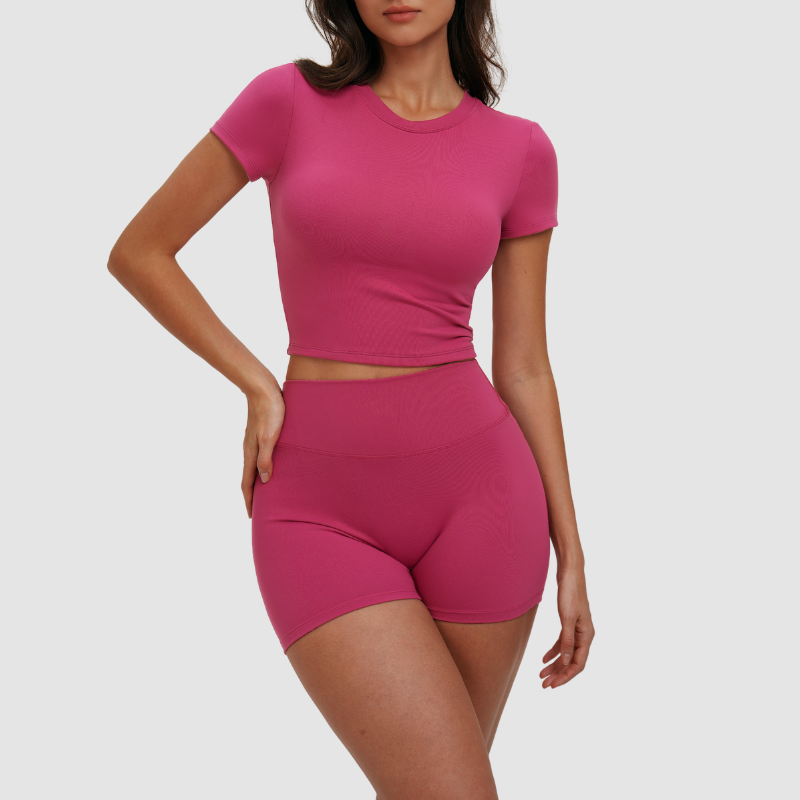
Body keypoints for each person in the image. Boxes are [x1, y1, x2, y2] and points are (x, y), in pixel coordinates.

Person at [108, 1, 594, 796]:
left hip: (484, 501)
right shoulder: (286, 100)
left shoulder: (521, 150)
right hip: (315, 505)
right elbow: (141, 251)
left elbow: (526, 367)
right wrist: (256, 381)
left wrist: (572, 551)